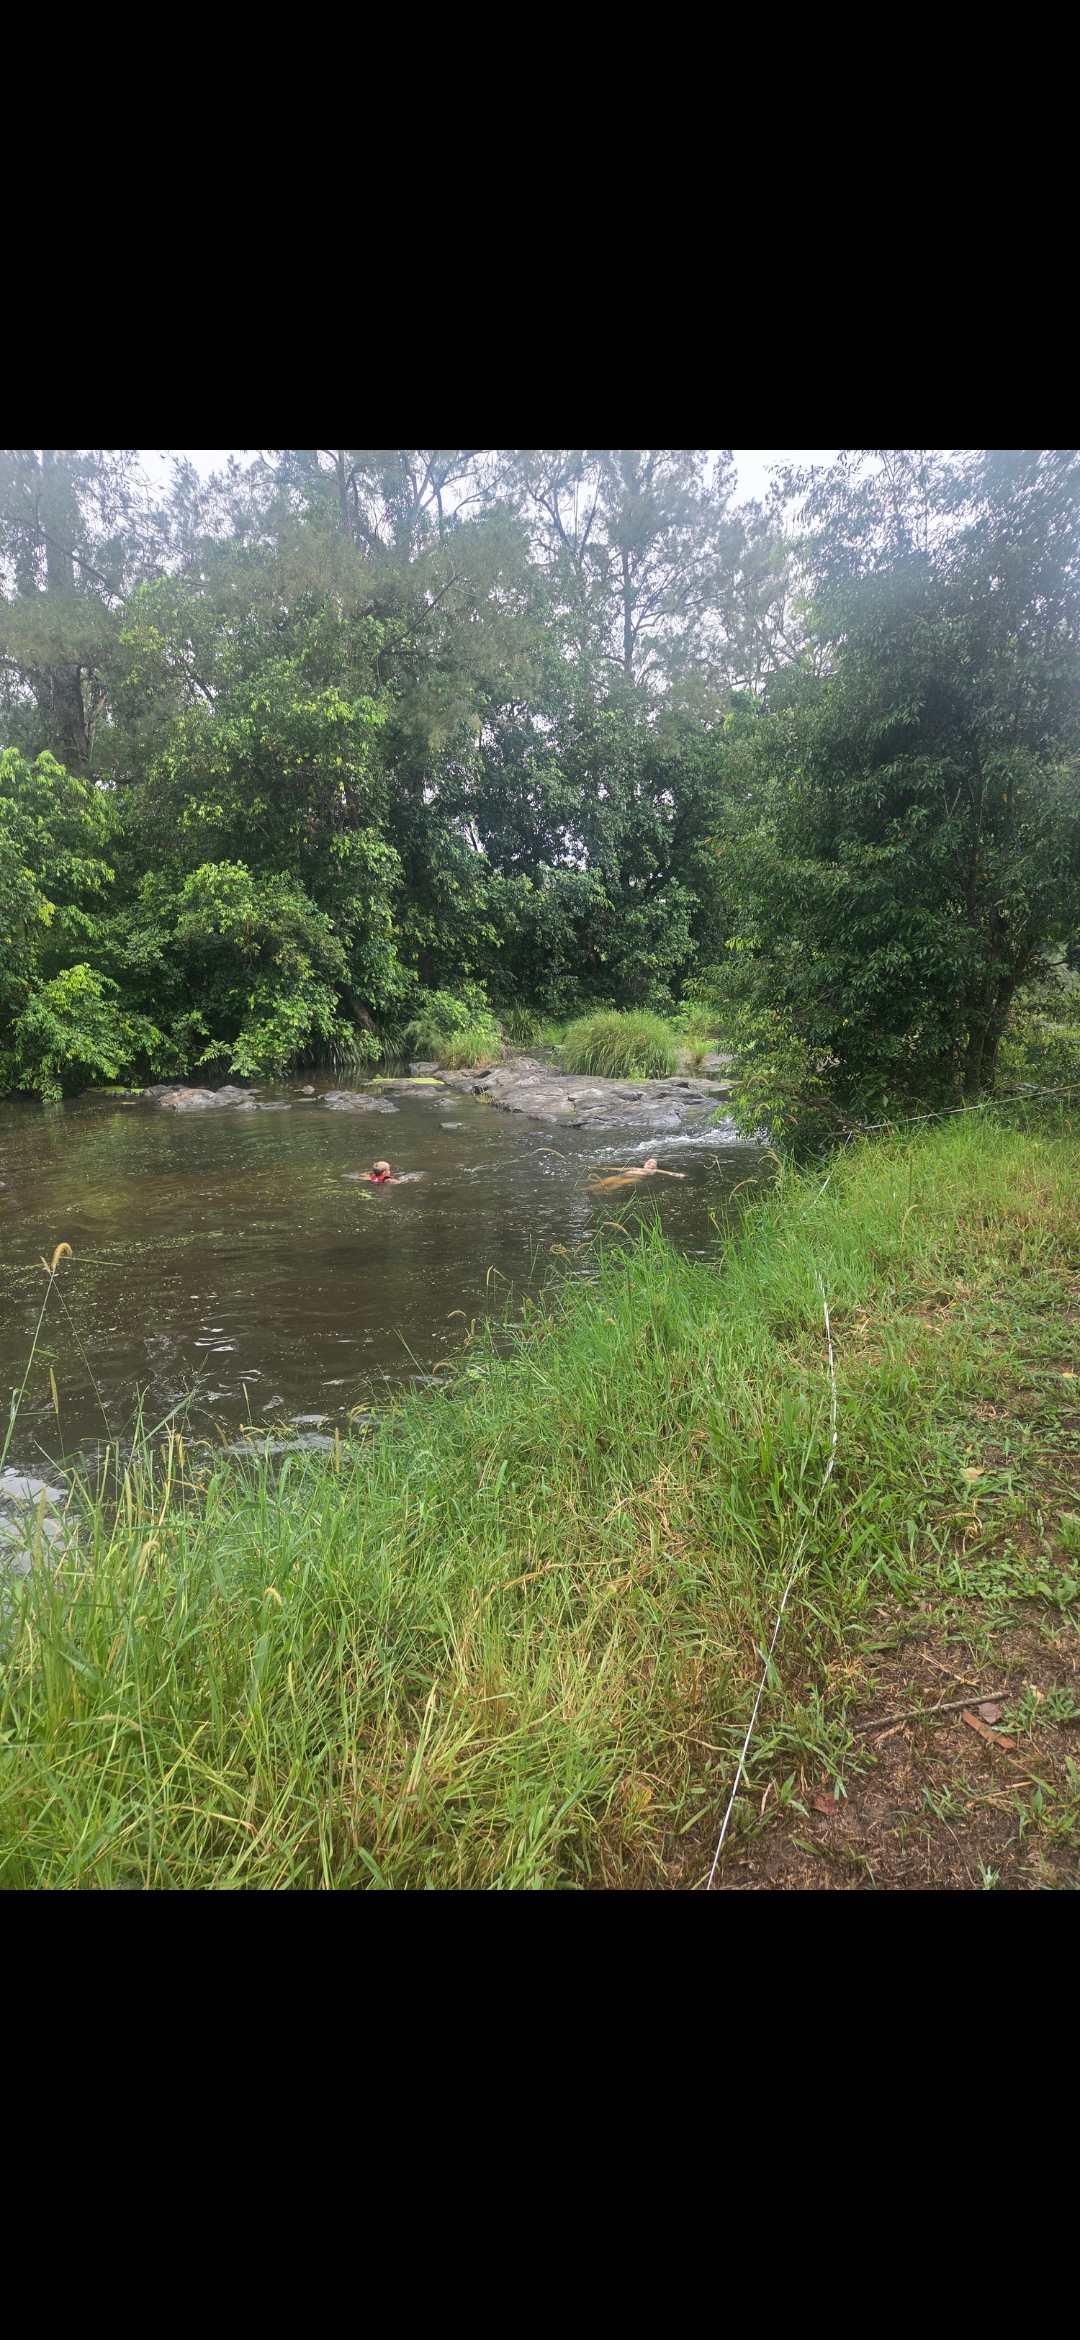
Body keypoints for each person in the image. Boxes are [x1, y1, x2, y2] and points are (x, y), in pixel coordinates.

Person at [587, 1155, 687, 1192]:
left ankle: (603, 1191)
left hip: (635, 1178)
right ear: (644, 1164)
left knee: (618, 1184)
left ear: (655, 1167)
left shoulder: (654, 1171)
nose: (650, 1163)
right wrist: (603, 1168)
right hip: (621, 1176)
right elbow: (619, 1169)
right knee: (604, 1182)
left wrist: (678, 1175)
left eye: (653, 1163)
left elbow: (667, 1173)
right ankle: (588, 1190)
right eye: (648, 1161)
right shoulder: (635, 1168)